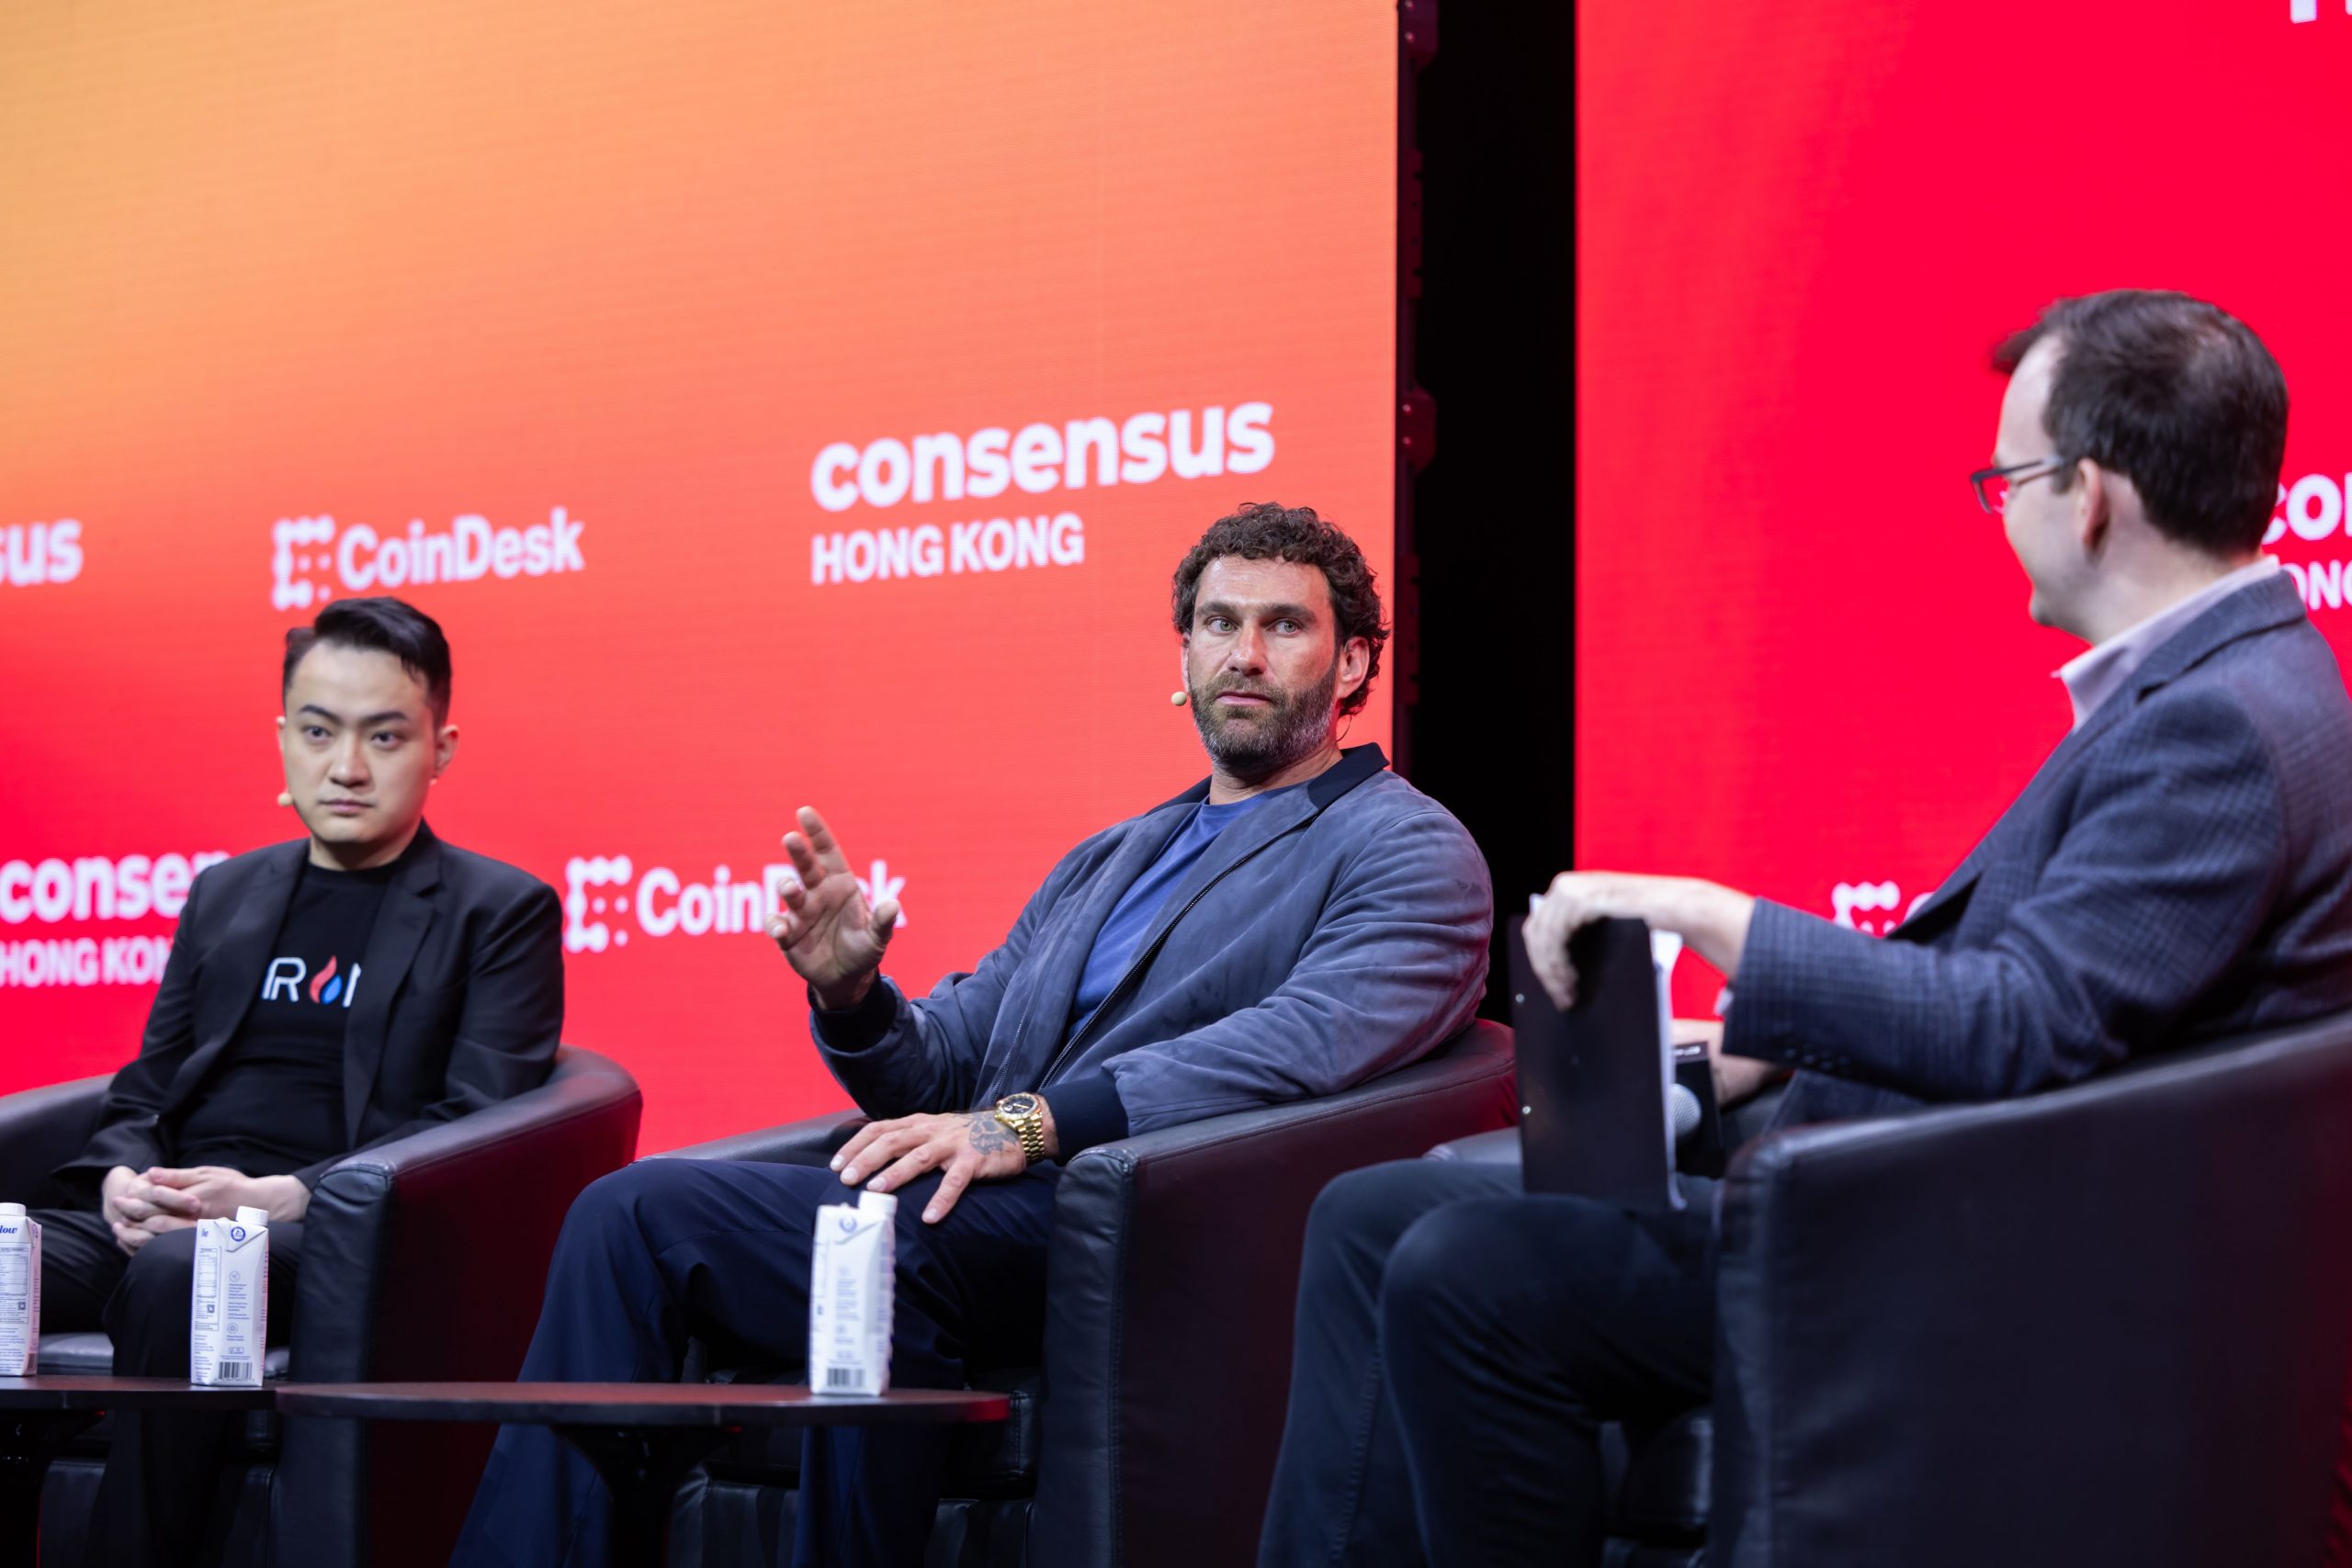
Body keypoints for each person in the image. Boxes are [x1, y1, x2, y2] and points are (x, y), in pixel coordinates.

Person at [1256, 289, 2352, 1567]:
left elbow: (2022, 1025)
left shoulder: (2213, 726)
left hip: (1955, 1233)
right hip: (1927, 1175)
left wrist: (1706, 912)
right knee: (1366, 1216)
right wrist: (1761, 1048)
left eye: (2006, 481)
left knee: (1459, 1270)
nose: (2003, 511)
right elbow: (2045, 992)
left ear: (2089, 496)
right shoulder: (2227, 684)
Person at [452, 503, 1493, 1568]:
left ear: (1352, 661)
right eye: (1220, 623)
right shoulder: (1113, 855)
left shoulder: (1404, 844)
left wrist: (1027, 1126)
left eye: (1284, 625)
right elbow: (943, 1064)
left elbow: (1302, 1041)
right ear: (1183, 653)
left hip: (1150, 1221)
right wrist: (853, 994)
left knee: (880, 1236)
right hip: (984, 1210)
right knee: (628, 1213)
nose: (1245, 653)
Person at [30, 596, 566, 1568]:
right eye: (319, 732)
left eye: (384, 736)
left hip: (327, 1239)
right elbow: (146, 1087)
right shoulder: (227, 893)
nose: (346, 766)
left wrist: (289, 1194)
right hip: (169, 1214)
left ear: (440, 749)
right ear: (283, 738)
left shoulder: (499, 911)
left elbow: (479, 1125)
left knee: (188, 1273)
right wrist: (121, 1180)